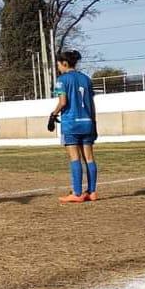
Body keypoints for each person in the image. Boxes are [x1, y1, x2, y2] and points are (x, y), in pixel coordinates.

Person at [49, 50, 99, 203]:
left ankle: (77, 193)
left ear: (64, 63)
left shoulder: (62, 80)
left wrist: (53, 115)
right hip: (87, 122)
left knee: (74, 157)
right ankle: (92, 192)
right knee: (89, 158)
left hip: (71, 124)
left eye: (58, 65)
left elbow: (63, 102)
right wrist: (94, 122)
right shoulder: (86, 79)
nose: (58, 68)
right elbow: (92, 103)